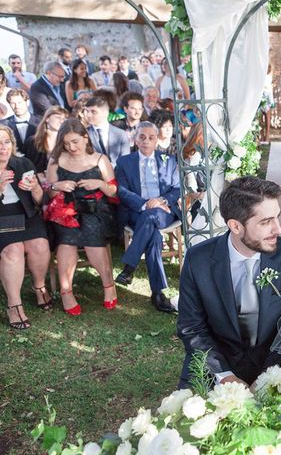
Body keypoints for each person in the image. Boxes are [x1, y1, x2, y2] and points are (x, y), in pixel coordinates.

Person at [177, 176, 281, 388]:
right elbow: (191, 327)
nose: (278, 229)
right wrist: (225, 375)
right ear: (235, 226)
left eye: (277, 217)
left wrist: (270, 378)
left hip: (277, 364)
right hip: (217, 366)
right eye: (266, 222)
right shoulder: (198, 260)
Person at [45, 119, 119, 315]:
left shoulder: (99, 159)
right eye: (67, 143)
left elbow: (113, 191)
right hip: (65, 208)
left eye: (75, 141)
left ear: (85, 137)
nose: (71, 147)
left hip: (95, 208)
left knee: (92, 239)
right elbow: (49, 191)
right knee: (66, 241)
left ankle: (108, 285)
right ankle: (66, 291)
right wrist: (56, 186)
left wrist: (99, 183)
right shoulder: (56, 160)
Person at [114, 122, 181, 313]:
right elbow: (122, 191)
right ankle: (157, 294)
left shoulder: (169, 160)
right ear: (135, 139)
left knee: (151, 216)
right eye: (142, 137)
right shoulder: (124, 162)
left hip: (163, 212)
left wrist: (160, 200)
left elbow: (177, 189)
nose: (146, 141)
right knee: (154, 237)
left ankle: (129, 268)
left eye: (151, 137)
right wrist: (144, 204)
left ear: (157, 140)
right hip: (137, 212)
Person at [0, 126, 52, 329]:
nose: (2, 147)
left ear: (12, 144)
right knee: (14, 250)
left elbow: (39, 201)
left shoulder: (22, 163)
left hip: (25, 216)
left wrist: (36, 188)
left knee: (39, 245)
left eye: (6, 142)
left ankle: (39, 286)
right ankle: (14, 305)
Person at [23, 106, 69, 182]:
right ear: (47, 118)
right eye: (58, 117)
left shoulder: (67, 142)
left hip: (64, 183)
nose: (61, 121)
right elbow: (27, 168)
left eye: (64, 119)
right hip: (39, 185)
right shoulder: (32, 142)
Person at [84, 96, 130, 166]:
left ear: (105, 113)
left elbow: (125, 160)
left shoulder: (120, 134)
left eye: (93, 112)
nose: (88, 115)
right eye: (87, 111)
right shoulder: (84, 134)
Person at [2, 89, 38, 154]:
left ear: (27, 102)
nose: (17, 106)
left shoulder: (40, 123)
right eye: (13, 103)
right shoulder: (3, 124)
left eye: (19, 102)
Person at [258, 65, 275, 145]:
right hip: (259, 98)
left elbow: (270, 88)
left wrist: (272, 101)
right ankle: (261, 135)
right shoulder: (258, 74)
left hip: (267, 98)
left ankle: (267, 136)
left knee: (267, 120)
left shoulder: (269, 74)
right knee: (260, 120)